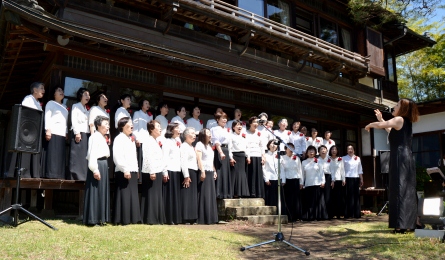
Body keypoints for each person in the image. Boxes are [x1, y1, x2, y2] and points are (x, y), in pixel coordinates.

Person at [365, 98, 419, 232]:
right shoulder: (404, 122)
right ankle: (411, 223)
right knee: (406, 189)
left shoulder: (399, 119)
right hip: (405, 157)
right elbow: (390, 129)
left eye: (397, 105)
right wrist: (381, 119)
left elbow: (382, 126)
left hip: (400, 157)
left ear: (403, 109)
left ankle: (401, 225)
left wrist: (371, 124)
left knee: (400, 189)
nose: (394, 107)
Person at [112, 117, 141, 225]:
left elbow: (134, 156)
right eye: (129, 124)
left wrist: (136, 169)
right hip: (123, 171)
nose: (132, 126)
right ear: (122, 126)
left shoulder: (130, 139)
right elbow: (117, 156)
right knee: (123, 195)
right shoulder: (119, 138)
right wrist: (125, 169)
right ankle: (122, 219)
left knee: (132, 194)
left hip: (132, 170)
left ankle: (132, 218)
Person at [83, 116, 110, 226]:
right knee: (95, 192)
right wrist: (95, 169)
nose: (108, 126)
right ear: (98, 125)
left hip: (103, 164)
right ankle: (92, 219)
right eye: (105, 124)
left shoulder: (102, 137)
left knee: (101, 191)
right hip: (97, 165)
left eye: (108, 124)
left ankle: (100, 218)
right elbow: (92, 154)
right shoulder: (94, 137)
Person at [141, 120, 167, 224]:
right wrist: (152, 171)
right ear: (151, 129)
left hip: (157, 170)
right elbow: (148, 157)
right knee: (151, 195)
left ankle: (156, 218)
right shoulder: (148, 141)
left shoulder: (155, 141)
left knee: (156, 195)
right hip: (150, 172)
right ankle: (150, 218)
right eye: (158, 126)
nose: (160, 128)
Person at [43, 87, 68, 179]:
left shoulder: (65, 107)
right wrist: (48, 130)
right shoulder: (51, 103)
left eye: (62, 91)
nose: (62, 92)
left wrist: (66, 132)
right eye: (59, 91)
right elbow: (48, 116)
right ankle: (51, 174)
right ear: (54, 94)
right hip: (53, 131)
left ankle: (59, 174)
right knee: (52, 154)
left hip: (61, 132)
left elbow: (65, 120)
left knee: (60, 154)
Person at [196, 128, 219, 224]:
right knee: (204, 194)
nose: (210, 135)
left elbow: (211, 160)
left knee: (210, 194)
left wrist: (214, 171)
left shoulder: (209, 146)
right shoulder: (199, 145)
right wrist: (202, 171)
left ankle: (211, 217)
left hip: (210, 171)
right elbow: (199, 159)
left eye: (210, 133)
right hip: (203, 171)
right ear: (203, 135)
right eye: (208, 133)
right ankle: (203, 218)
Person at [162, 123, 182, 225]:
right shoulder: (167, 142)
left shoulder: (177, 141)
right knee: (169, 195)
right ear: (171, 130)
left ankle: (175, 217)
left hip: (177, 170)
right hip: (169, 170)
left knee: (175, 195)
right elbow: (165, 157)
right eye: (177, 128)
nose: (179, 130)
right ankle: (168, 218)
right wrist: (164, 172)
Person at [69, 87, 90, 180]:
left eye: (88, 95)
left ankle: (83, 175)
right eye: (85, 94)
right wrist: (77, 133)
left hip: (86, 133)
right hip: (78, 133)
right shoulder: (76, 106)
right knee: (76, 155)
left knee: (83, 156)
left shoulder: (87, 109)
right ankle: (75, 176)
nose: (88, 96)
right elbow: (74, 120)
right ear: (80, 95)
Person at [302, 145, 327, 221]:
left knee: (317, 202)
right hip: (308, 184)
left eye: (313, 151)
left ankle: (318, 216)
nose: (311, 152)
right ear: (307, 153)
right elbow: (302, 174)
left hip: (317, 184)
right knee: (309, 202)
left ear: (315, 152)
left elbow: (321, 172)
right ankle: (309, 216)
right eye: (309, 151)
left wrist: (323, 182)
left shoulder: (318, 161)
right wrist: (302, 183)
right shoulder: (303, 162)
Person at [210, 112, 232, 199]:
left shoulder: (226, 129)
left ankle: (226, 193)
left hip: (226, 149)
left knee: (226, 171)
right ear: (217, 120)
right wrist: (220, 152)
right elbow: (216, 142)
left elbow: (229, 143)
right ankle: (219, 193)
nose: (224, 120)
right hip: (220, 150)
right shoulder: (215, 129)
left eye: (225, 118)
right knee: (220, 170)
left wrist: (230, 156)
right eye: (222, 118)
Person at [180, 127, 199, 224]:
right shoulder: (184, 146)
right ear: (186, 136)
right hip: (188, 172)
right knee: (187, 194)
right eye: (192, 133)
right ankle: (186, 217)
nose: (194, 135)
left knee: (192, 195)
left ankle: (193, 217)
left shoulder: (192, 146)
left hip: (194, 171)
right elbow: (183, 162)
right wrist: (186, 176)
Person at [281, 143, 303, 222]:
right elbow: (282, 170)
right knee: (289, 199)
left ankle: (297, 216)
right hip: (287, 180)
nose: (290, 149)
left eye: (292, 148)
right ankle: (289, 216)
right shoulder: (282, 158)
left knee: (296, 199)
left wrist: (301, 182)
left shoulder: (296, 158)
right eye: (289, 148)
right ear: (285, 149)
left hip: (296, 179)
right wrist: (283, 180)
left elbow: (300, 170)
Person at [228, 120, 250, 198]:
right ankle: (235, 193)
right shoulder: (231, 136)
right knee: (235, 174)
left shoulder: (244, 136)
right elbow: (229, 148)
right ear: (233, 127)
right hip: (235, 156)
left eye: (240, 125)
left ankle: (242, 192)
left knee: (242, 174)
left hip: (242, 156)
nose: (239, 126)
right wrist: (231, 158)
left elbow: (247, 147)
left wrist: (248, 156)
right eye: (237, 125)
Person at [246, 116, 266, 198]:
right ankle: (251, 192)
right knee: (251, 174)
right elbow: (246, 145)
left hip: (258, 155)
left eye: (257, 122)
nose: (255, 124)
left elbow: (262, 145)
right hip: (250, 155)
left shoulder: (259, 133)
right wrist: (248, 156)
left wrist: (263, 156)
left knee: (258, 174)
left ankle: (258, 193)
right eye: (254, 122)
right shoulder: (246, 133)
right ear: (250, 123)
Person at [263, 140, 286, 211]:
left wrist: (283, 179)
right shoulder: (265, 155)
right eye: (272, 143)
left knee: (279, 198)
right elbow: (264, 168)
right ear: (268, 145)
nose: (273, 145)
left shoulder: (279, 156)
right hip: (270, 179)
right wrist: (266, 179)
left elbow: (282, 168)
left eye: (275, 144)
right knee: (271, 197)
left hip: (278, 179)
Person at [342, 145, 363, 219]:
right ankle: (348, 214)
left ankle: (356, 213)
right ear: (347, 151)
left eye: (351, 149)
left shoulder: (357, 158)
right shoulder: (343, 158)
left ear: (354, 150)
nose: (350, 150)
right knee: (348, 196)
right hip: (347, 178)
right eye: (348, 149)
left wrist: (361, 179)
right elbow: (342, 170)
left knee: (356, 196)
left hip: (356, 178)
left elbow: (360, 169)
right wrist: (343, 179)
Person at [133, 99, 152, 174]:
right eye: (146, 103)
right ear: (141, 105)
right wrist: (136, 138)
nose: (148, 105)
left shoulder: (149, 115)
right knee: (140, 159)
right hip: (140, 139)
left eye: (148, 103)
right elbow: (135, 127)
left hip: (148, 140)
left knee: (146, 160)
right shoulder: (137, 113)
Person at [328, 145, 346, 219]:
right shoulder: (328, 159)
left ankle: (339, 214)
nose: (334, 151)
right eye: (332, 149)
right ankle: (332, 214)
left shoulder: (340, 159)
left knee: (339, 198)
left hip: (339, 180)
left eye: (335, 149)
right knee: (332, 198)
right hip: (330, 180)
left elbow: (342, 170)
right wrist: (332, 180)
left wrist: (343, 179)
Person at [317, 145, 332, 219]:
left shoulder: (330, 159)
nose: (323, 151)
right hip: (319, 177)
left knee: (327, 195)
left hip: (328, 177)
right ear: (319, 152)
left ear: (327, 151)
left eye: (324, 149)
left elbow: (333, 170)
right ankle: (321, 214)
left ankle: (328, 214)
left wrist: (333, 180)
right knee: (320, 196)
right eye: (321, 149)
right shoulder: (316, 160)